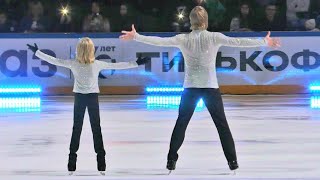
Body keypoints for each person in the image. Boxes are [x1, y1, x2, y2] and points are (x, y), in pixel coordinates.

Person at [120, 6, 280, 172]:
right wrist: (263, 41)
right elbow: (239, 42)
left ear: (191, 21)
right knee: (222, 126)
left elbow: (160, 41)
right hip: (210, 88)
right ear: (206, 21)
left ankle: (171, 160)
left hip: (190, 88)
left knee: (181, 124)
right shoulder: (214, 37)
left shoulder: (183, 39)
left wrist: (136, 36)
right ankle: (232, 162)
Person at [27, 38, 148, 174]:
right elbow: (119, 65)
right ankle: (101, 164)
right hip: (91, 98)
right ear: (91, 50)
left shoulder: (74, 63)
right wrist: (136, 63)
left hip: (80, 98)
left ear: (79, 50)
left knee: (77, 129)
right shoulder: (96, 64)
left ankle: (72, 164)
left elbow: (55, 61)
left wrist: (37, 52)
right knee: (96, 128)